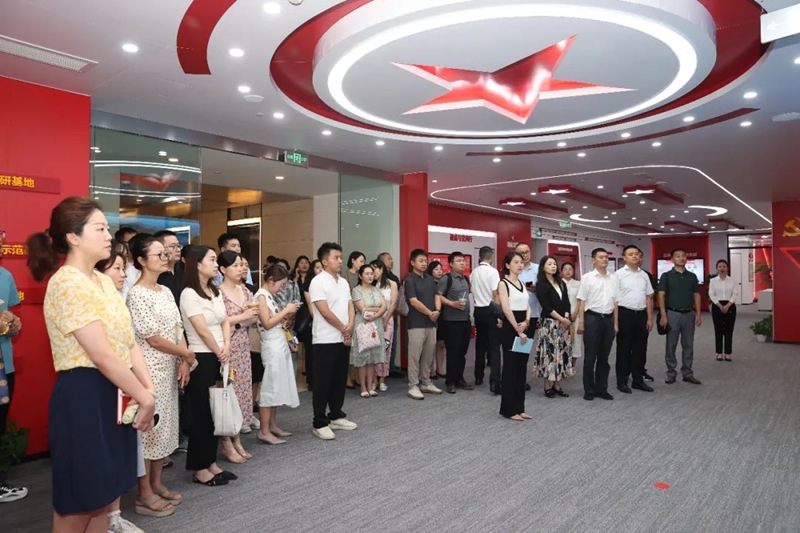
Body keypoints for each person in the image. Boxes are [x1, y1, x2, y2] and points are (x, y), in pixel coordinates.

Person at [26, 197, 156, 531]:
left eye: (107, 228)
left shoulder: (102, 281)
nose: (108, 235)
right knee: (79, 502)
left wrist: (146, 388)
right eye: (99, 229)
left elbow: (127, 342)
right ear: (73, 237)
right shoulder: (67, 282)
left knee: (103, 497)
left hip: (115, 391)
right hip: (84, 395)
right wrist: (143, 396)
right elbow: (101, 355)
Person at [127, 234, 195, 515]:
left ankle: (156, 483)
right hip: (149, 372)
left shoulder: (165, 291)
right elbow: (153, 338)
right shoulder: (136, 294)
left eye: (165, 254)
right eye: (158, 254)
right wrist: (186, 354)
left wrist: (184, 359)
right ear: (142, 260)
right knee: (149, 434)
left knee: (165, 431)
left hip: (169, 370)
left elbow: (178, 328)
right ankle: (143, 493)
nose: (165, 258)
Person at [179, 245, 236, 486]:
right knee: (201, 413)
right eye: (211, 260)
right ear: (198, 264)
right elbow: (201, 329)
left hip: (220, 354)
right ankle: (199, 467)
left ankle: (211, 462)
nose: (215, 264)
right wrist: (218, 350)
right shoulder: (189, 294)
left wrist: (226, 346)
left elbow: (225, 320)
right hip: (202, 357)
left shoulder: (214, 291)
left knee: (215, 411)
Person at [308, 242, 358, 440]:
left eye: (340, 257)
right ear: (324, 261)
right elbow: (324, 311)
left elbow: (350, 305)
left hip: (342, 337)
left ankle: (336, 415)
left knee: (339, 379)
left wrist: (350, 326)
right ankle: (319, 422)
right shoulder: (318, 281)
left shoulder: (343, 282)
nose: (340, 261)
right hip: (325, 339)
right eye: (336, 258)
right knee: (323, 381)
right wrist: (344, 328)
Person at [217, 251, 258, 457]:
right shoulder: (218, 293)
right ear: (223, 269)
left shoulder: (246, 291)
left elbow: (253, 317)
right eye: (235, 265)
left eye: (242, 265)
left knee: (242, 393)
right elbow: (219, 321)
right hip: (226, 349)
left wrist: (240, 321)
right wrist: (242, 318)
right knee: (227, 394)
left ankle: (237, 439)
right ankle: (226, 441)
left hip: (243, 348)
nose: (241, 268)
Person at [254, 264, 301, 444]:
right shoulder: (261, 296)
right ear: (271, 280)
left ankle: (272, 425)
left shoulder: (268, 296)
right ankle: (264, 430)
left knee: (277, 386)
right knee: (269, 387)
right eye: (281, 285)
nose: (281, 288)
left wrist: (285, 318)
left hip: (279, 343)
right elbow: (266, 323)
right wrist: (286, 311)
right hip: (271, 345)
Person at [0, 229, 25, 503]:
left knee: (0, 421)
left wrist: (14, 324)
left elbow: (13, 322)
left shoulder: (5, 276)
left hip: (3, 365)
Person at [613, 245, 654, 394]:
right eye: (631, 254)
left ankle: (637, 380)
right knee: (624, 349)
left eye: (636, 254)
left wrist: (649, 318)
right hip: (625, 314)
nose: (635, 256)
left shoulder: (644, 275)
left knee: (640, 349)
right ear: (624, 258)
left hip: (641, 314)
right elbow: (614, 300)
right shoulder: (618, 275)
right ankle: (622, 381)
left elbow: (648, 297)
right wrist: (615, 322)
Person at [658, 248, 703, 385]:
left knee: (688, 345)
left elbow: (696, 295)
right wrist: (663, 315)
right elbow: (661, 295)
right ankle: (671, 373)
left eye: (683, 256)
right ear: (672, 259)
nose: (681, 258)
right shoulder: (666, 276)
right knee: (671, 345)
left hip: (689, 314)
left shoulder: (692, 276)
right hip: (672, 314)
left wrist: (698, 314)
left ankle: (687, 373)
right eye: (677, 256)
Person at [577, 248, 617, 401]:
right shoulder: (587, 278)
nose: (605, 259)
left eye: (606, 257)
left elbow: (616, 302)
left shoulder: (613, 278)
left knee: (604, 357)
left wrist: (616, 323)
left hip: (608, 319)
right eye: (601, 257)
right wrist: (581, 322)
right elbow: (582, 301)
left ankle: (602, 388)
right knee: (590, 356)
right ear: (593, 260)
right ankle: (589, 389)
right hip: (592, 318)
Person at [404, 249, 444, 400]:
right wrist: (430, 313)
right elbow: (413, 301)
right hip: (416, 323)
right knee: (414, 356)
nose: (424, 263)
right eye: (420, 261)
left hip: (431, 323)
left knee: (428, 355)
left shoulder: (429, 279)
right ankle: (413, 385)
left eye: (425, 261)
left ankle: (426, 382)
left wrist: (437, 310)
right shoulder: (409, 280)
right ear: (412, 262)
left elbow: (436, 295)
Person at [497, 252, 532, 420]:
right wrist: (518, 330)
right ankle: (508, 409)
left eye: (521, 262)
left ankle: (520, 407)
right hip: (511, 328)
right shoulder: (503, 283)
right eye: (516, 262)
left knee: (521, 368)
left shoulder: (522, 283)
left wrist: (526, 322)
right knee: (511, 368)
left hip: (523, 326)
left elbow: (528, 305)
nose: (520, 265)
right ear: (507, 265)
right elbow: (506, 308)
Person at [533, 255, 572, 397]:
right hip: (549, 323)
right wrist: (561, 319)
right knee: (549, 355)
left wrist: (566, 318)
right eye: (549, 264)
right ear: (543, 267)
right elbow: (546, 306)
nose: (553, 266)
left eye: (554, 264)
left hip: (563, 323)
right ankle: (547, 385)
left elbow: (567, 302)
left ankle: (557, 384)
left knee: (560, 354)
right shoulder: (541, 284)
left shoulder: (561, 283)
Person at [350, 264, 387, 398]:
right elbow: (363, 309)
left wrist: (375, 314)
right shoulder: (356, 290)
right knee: (362, 358)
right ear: (360, 276)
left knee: (372, 358)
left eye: (371, 273)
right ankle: (363, 387)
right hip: (363, 325)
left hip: (376, 325)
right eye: (367, 273)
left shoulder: (376, 289)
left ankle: (371, 386)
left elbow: (385, 306)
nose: (370, 276)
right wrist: (378, 309)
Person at [438, 252, 473, 394]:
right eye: (459, 261)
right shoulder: (446, 278)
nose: (462, 263)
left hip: (465, 320)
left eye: (463, 260)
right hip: (451, 321)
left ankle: (459, 378)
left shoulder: (466, 279)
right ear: (451, 264)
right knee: (452, 352)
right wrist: (452, 303)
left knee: (462, 352)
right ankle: (450, 381)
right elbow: (438, 297)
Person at [471, 246, 502, 393]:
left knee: (480, 344)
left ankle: (478, 376)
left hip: (478, 311)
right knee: (494, 347)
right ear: (491, 257)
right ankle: (494, 382)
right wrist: (499, 314)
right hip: (491, 310)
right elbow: (495, 294)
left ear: (479, 257)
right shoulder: (493, 272)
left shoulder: (473, 272)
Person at [370, 260, 397, 392]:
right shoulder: (371, 285)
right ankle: (373, 380)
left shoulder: (392, 284)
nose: (372, 273)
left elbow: (393, 303)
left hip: (387, 319)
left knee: (386, 349)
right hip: (373, 321)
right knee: (374, 350)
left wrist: (385, 320)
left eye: (374, 269)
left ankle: (382, 379)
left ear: (381, 269)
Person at [299, 259, 323, 391]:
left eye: (322, 267)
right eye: (317, 267)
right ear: (312, 270)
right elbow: (310, 305)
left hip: (326, 322)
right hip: (313, 322)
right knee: (311, 353)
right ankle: (312, 381)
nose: (320, 270)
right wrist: (319, 320)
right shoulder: (308, 284)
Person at [377, 252, 402, 377]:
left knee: (391, 343)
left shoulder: (394, 278)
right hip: (377, 316)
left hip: (392, 314)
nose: (392, 261)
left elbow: (396, 299)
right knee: (377, 344)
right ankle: (377, 373)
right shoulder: (375, 278)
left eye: (392, 259)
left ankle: (389, 369)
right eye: (389, 259)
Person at [709, 259, 738, 362]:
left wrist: (728, 305)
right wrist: (720, 306)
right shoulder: (713, 281)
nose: (722, 268)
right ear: (717, 268)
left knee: (729, 330)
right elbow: (711, 294)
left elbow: (735, 293)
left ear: (727, 268)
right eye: (720, 267)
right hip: (717, 306)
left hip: (730, 306)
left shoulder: (732, 280)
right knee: (718, 330)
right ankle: (719, 353)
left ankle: (728, 353)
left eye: (724, 266)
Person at [426, 260, 446, 380]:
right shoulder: (429, 283)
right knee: (431, 344)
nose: (439, 271)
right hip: (432, 314)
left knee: (441, 343)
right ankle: (431, 369)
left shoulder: (444, 282)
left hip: (443, 315)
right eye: (436, 269)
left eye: (441, 269)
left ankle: (440, 368)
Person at [561, 262, 583, 371]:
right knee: (562, 341)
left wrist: (575, 313)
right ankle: (562, 366)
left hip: (575, 316)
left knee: (575, 342)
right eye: (565, 269)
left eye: (570, 269)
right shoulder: (558, 284)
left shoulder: (578, 284)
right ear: (561, 271)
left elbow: (580, 300)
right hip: (561, 317)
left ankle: (572, 366)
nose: (568, 271)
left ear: (574, 271)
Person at [153, 230, 184, 304]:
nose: (178, 250)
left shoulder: (182, 273)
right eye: (172, 246)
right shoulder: (156, 276)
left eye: (178, 246)